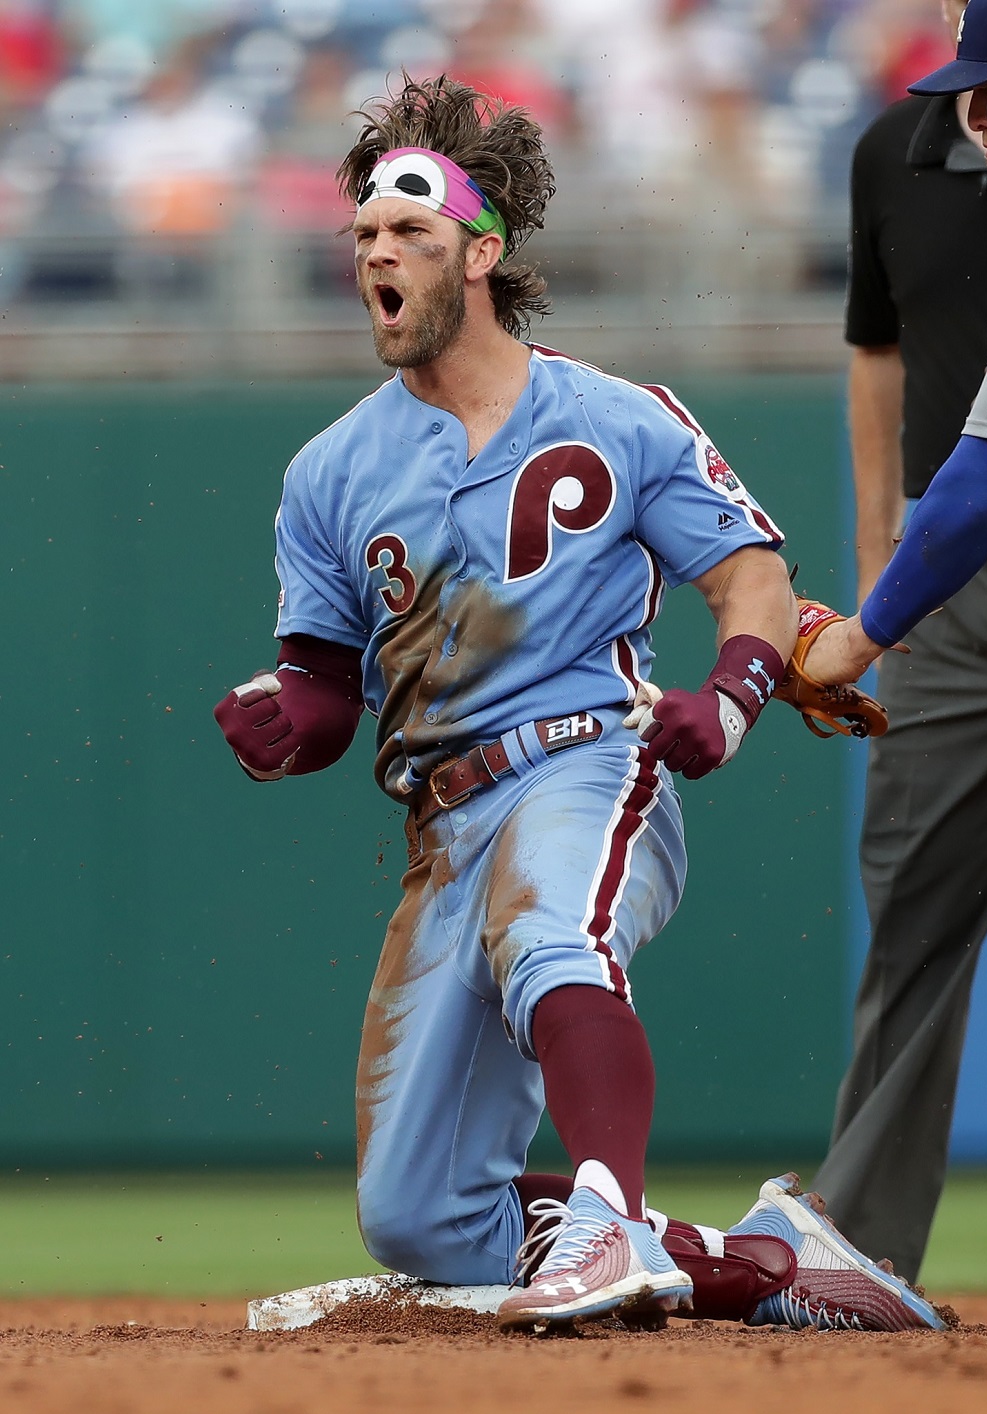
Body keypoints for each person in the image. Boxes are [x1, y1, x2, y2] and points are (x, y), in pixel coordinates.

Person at [214, 74, 944, 1334]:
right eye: (365, 239)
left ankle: (604, 1220)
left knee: (553, 936)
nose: (377, 256)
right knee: (422, 1215)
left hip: (584, 758)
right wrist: (292, 721)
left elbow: (751, 576)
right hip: (442, 824)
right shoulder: (328, 470)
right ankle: (767, 1262)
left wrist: (734, 691)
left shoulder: (616, 417)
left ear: (483, 251)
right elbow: (327, 685)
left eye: (411, 234)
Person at [807, 0, 987, 1287]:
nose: (981, 115)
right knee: (912, 910)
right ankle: (858, 1258)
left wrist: (865, 631)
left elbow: (983, 479)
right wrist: (885, 576)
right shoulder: (902, 149)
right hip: (948, 595)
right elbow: (879, 354)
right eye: (976, 89)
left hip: (936, 565)